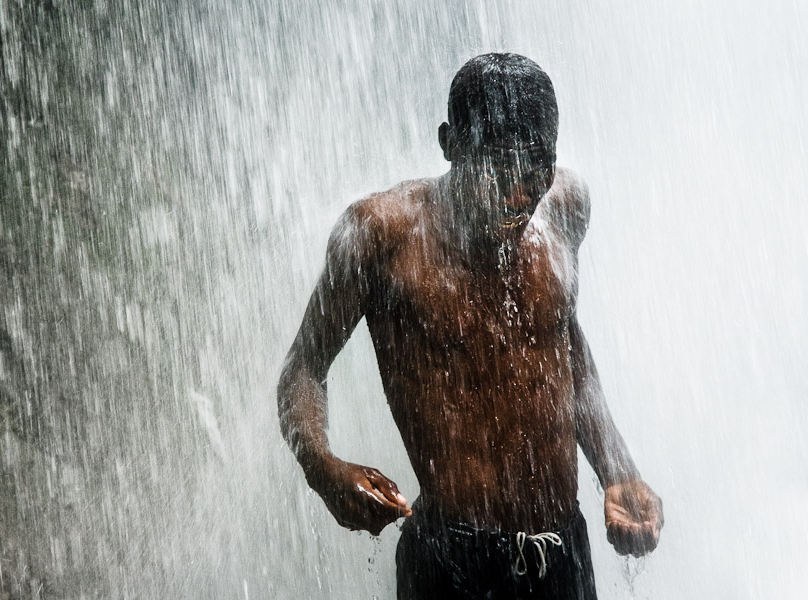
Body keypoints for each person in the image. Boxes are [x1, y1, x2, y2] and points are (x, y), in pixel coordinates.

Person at [277, 53, 663, 600]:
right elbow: (303, 371)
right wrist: (323, 467)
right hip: (449, 560)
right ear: (451, 145)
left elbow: (565, 346)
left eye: (536, 169)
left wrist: (617, 470)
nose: (518, 196)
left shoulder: (563, 210)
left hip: (561, 552)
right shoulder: (380, 236)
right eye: (499, 170)